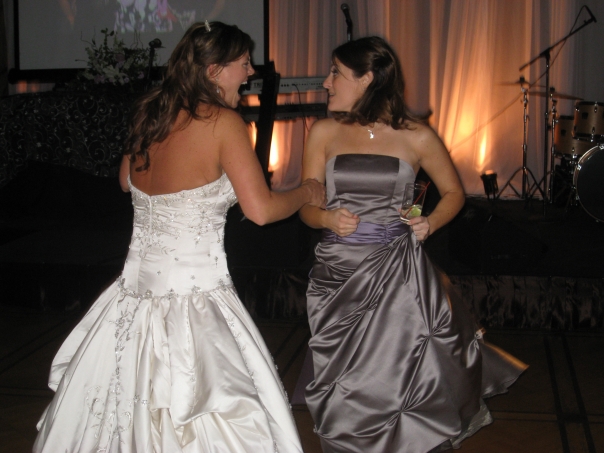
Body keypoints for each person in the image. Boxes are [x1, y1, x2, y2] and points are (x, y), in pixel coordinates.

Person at [33, 21, 325, 453]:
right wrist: (306, 192)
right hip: (196, 296)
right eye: (243, 63)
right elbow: (261, 211)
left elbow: (125, 182)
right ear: (213, 70)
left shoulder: (150, 114)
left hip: (132, 296)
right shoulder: (224, 124)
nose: (250, 72)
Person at [298, 36, 527, 453]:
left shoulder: (417, 135)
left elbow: (453, 193)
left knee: (394, 373)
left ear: (367, 78)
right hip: (338, 273)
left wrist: (430, 223)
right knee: (344, 378)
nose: (326, 83)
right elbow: (306, 207)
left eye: (336, 73)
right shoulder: (324, 132)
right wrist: (326, 218)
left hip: (396, 272)